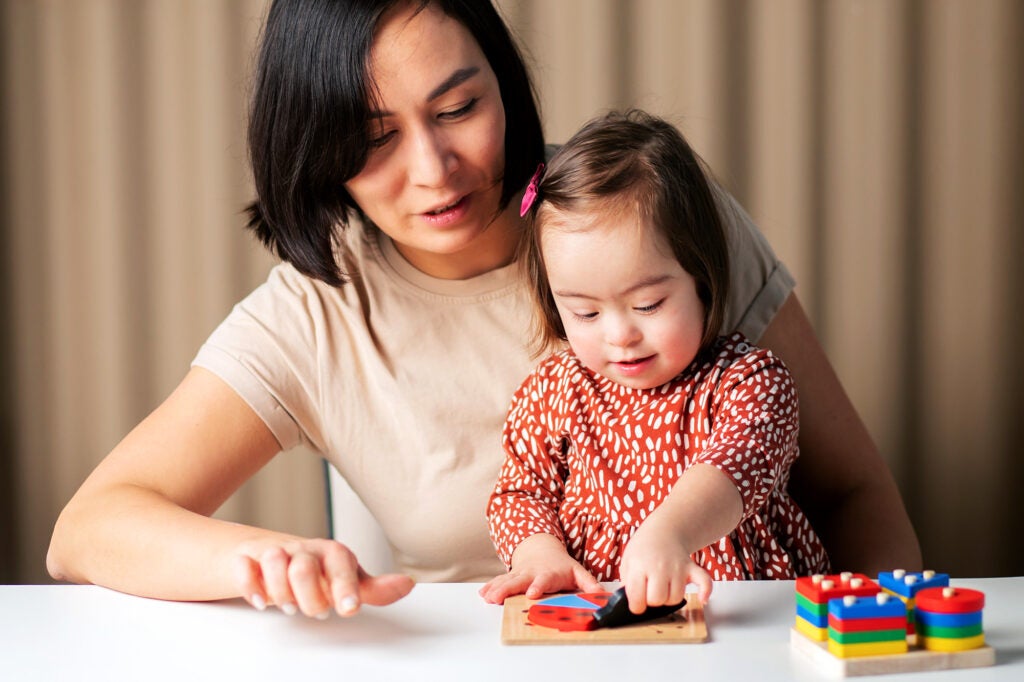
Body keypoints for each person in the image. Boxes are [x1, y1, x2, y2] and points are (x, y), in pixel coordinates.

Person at [46, 0, 920, 620]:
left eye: (460, 107)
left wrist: (879, 647)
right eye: (374, 137)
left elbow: (852, 492)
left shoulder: (646, 216)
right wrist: (262, 561)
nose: (435, 169)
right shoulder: (314, 316)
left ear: (505, 86)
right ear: (315, 148)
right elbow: (88, 529)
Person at [480, 110, 829, 611]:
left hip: (741, 611)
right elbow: (520, 491)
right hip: (600, 616)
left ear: (701, 282)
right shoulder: (555, 391)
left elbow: (736, 465)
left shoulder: (749, 382)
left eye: (648, 305)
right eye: (585, 312)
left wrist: (669, 533)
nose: (620, 334)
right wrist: (538, 554)